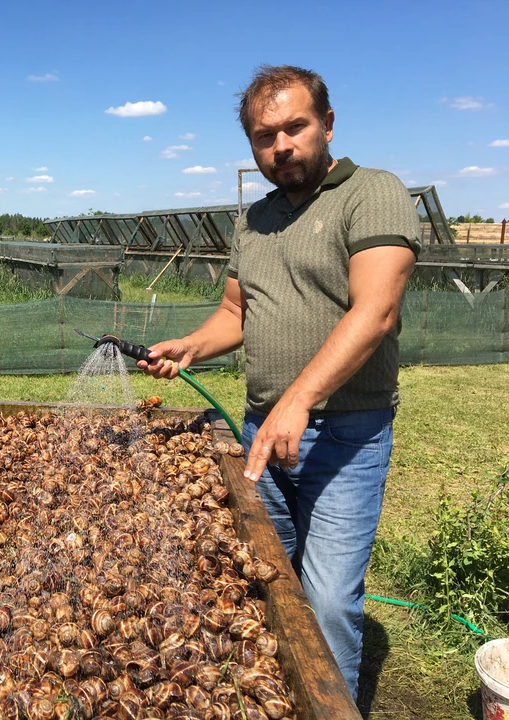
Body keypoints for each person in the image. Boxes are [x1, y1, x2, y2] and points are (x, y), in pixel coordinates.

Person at [138, 64, 420, 700]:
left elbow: (374, 312)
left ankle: (330, 706)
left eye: (296, 127)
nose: (282, 145)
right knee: (265, 580)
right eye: (265, 136)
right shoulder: (255, 220)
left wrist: (298, 401)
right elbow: (235, 314)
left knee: (326, 604)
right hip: (261, 431)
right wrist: (188, 346)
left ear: (327, 123)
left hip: (345, 438)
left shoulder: (371, 192)